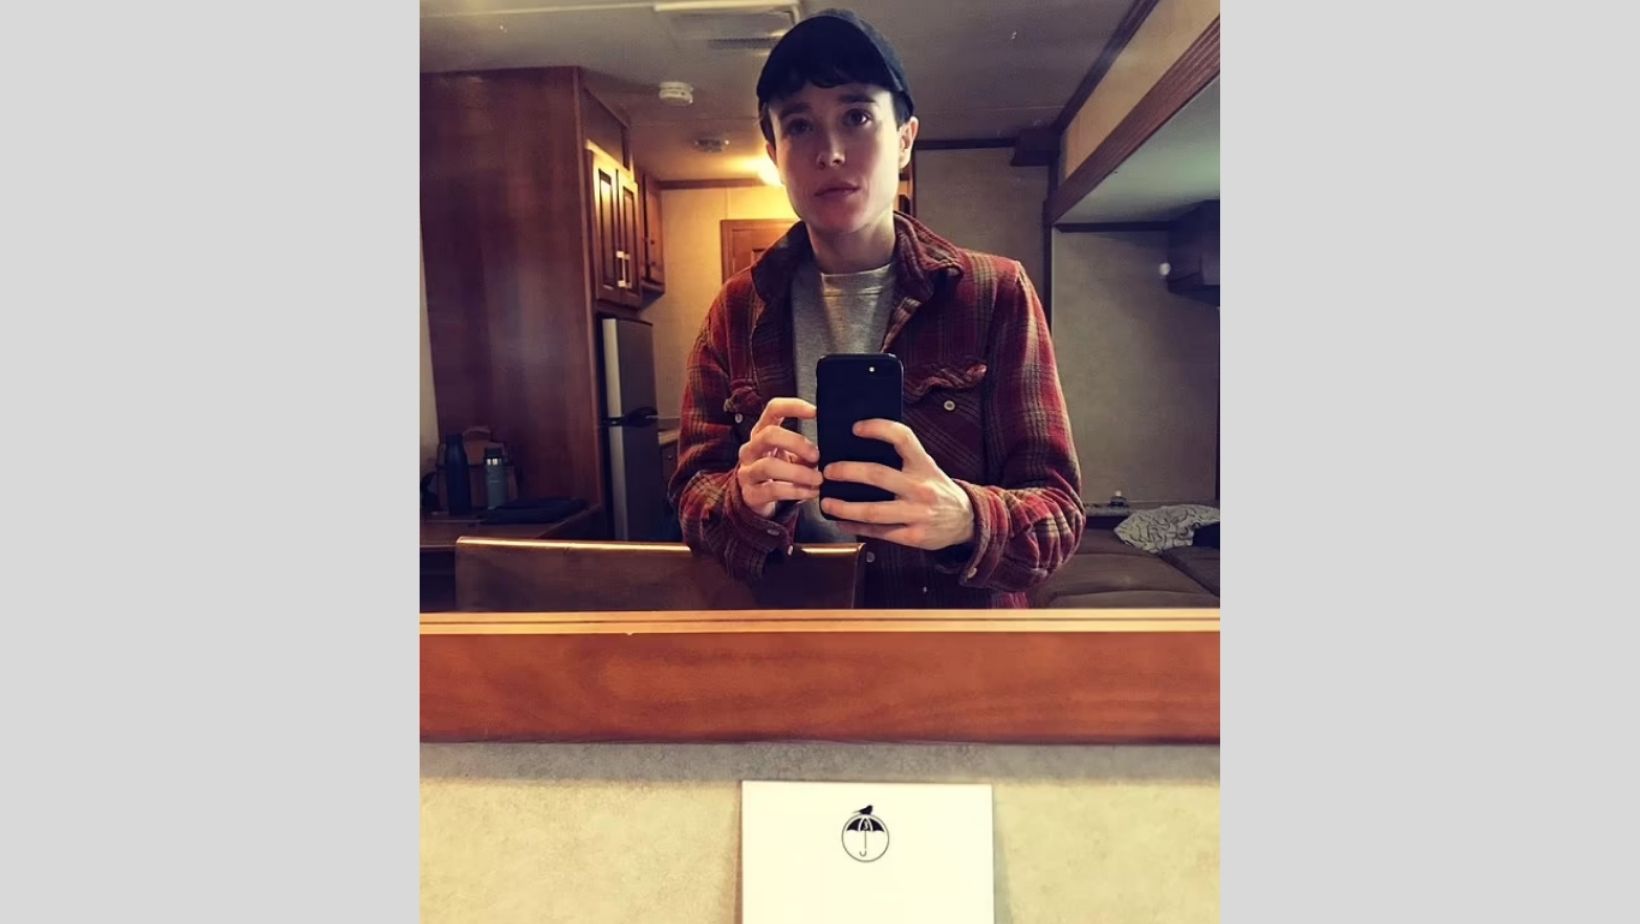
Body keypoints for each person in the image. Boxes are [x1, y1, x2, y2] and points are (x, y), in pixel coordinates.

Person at [667, 8, 1084, 608]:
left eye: (857, 116)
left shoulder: (993, 293)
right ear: (775, 152)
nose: (831, 152)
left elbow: (1059, 515)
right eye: (800, 125)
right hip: (793, 634)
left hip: (954, 642)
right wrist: (743, 500)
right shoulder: (735, 310)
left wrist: (964, 517)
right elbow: (691, 494)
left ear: (905, 139)